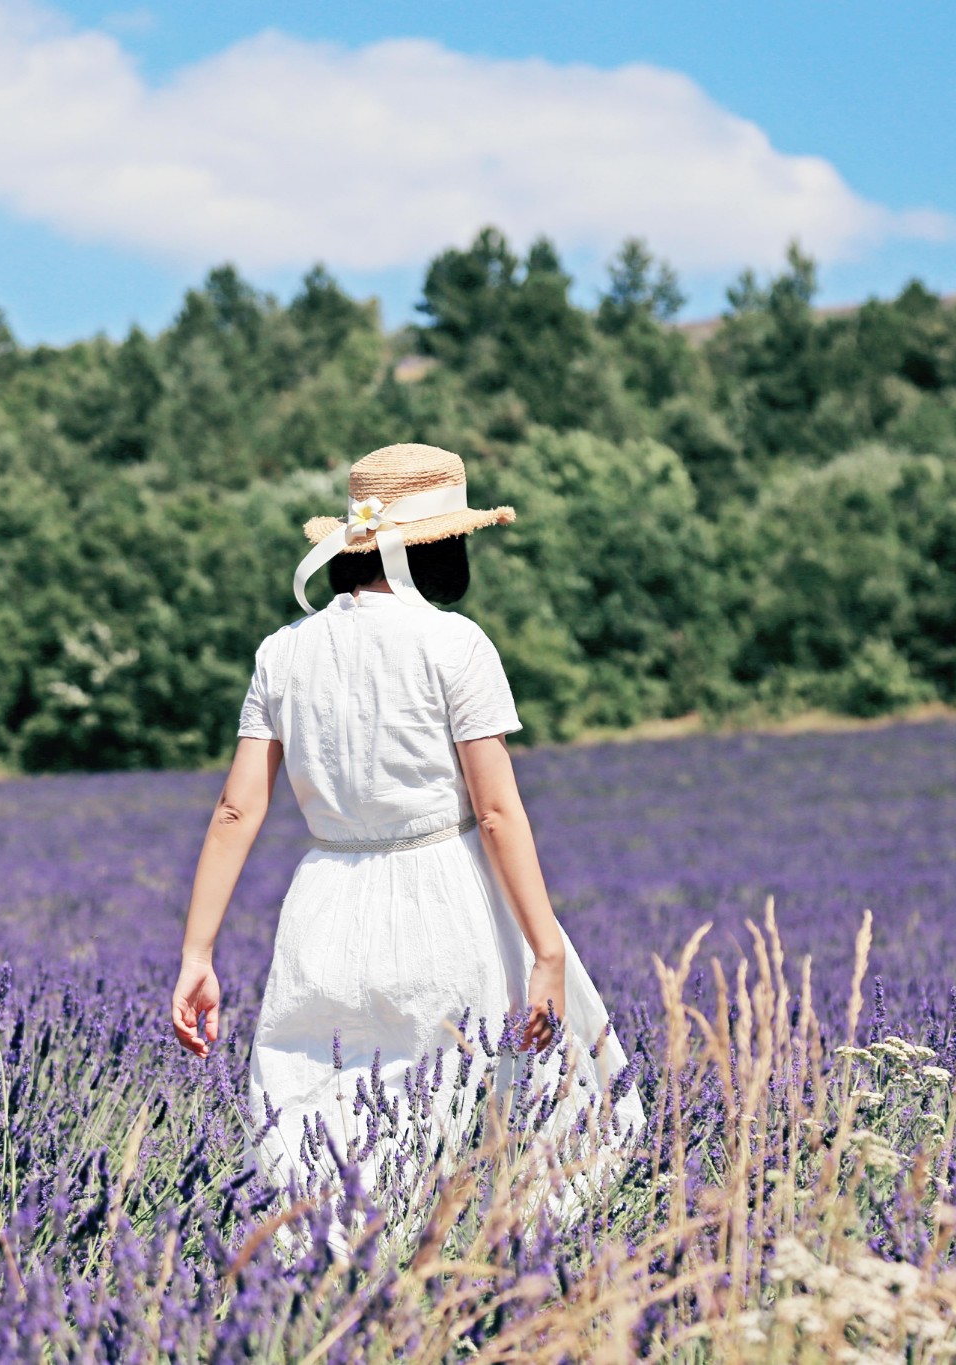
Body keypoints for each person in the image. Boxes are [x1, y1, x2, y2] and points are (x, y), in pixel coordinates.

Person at [169, 443, 643, 1236]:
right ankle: (485, 1286)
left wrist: (197, 954)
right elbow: (496, 813)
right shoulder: (454, 643)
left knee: (322, 1106)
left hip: (326, 900)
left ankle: (332, 1290)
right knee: (490, 1110)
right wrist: (548, 951)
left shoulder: (281, 651)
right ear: (442, 546)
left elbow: (234, 811)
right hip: (450, 893)